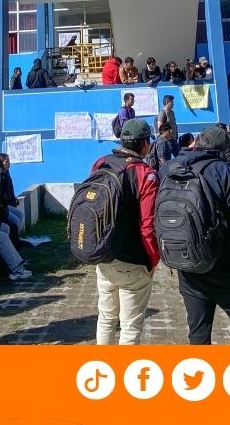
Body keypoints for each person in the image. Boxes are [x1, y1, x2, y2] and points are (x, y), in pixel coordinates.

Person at [166, 126, 230, 344]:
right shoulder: (222, 169)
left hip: (187, 260)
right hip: (224, 260)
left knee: (198, 331)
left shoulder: (170, 167)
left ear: (197, 140)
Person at [90, 119, 160, 344]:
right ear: (144, 144)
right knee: (130, 328)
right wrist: (152, 260)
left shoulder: (101, 163)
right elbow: (147, 225)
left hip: (103, 253)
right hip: (132, 259)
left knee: (106, 319)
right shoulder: (145, 173)